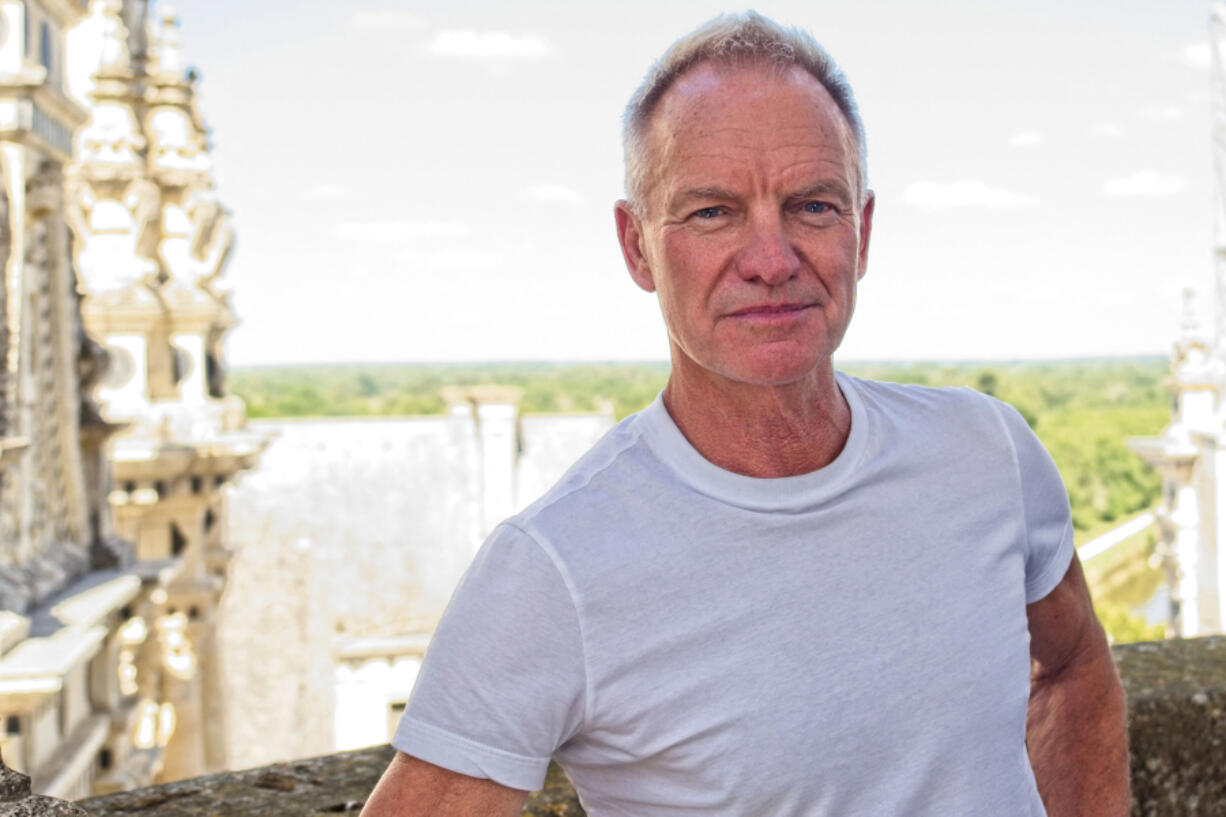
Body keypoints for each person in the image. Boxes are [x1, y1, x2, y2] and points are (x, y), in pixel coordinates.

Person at [361, 12, 1130, 817]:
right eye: (712, 212)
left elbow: (1075, 667)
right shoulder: (552, 570)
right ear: (636, 247)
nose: (771, 260)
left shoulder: (987, 452)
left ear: (861, 233)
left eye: (812, 206)